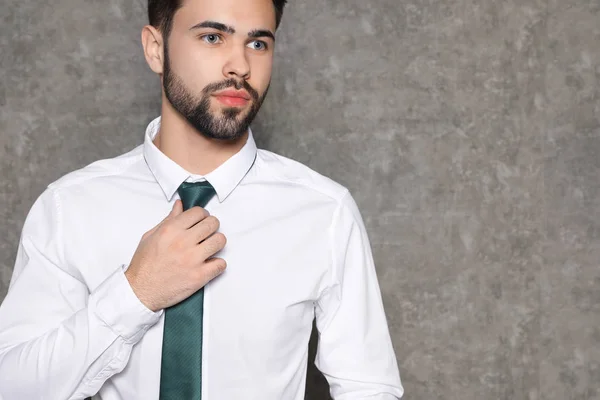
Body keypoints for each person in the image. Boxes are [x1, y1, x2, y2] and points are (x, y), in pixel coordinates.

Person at [0, 0, 404, 398]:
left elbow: (369, 389)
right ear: (156, 49)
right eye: (213, 37)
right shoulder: (71, 208)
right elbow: (12, 387)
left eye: (258, 44)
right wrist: (135, 294)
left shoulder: (324, 212)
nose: (240, 66)